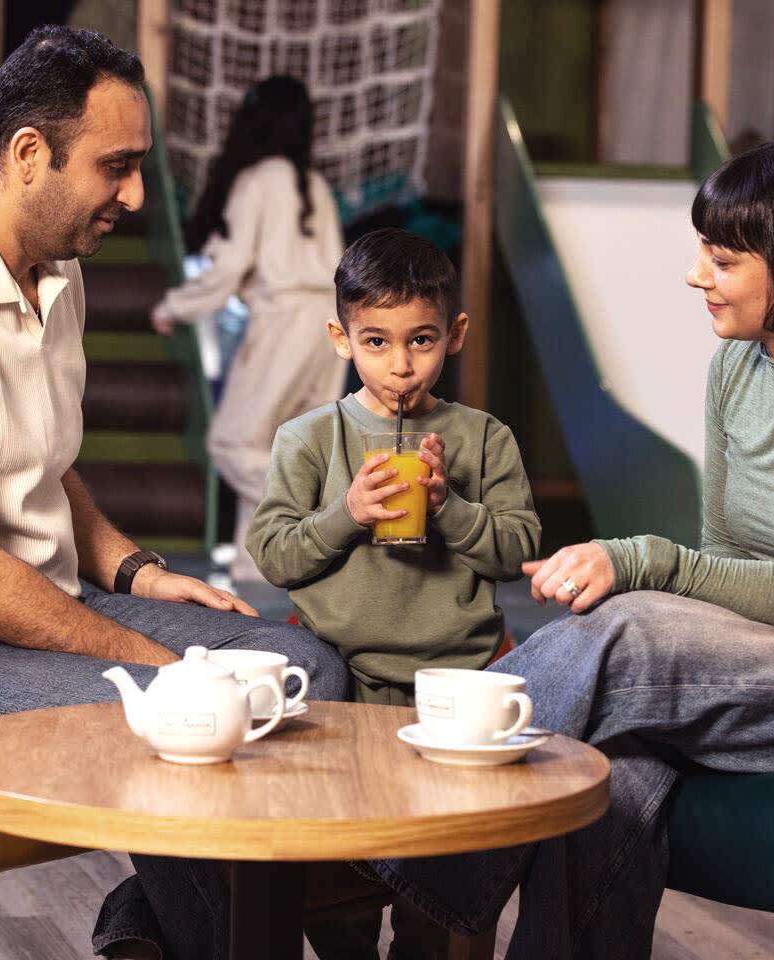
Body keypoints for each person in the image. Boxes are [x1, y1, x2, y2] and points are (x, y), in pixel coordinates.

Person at [0, 25, 347, 948]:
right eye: (116, 167)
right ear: (29, 155)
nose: (133, 194)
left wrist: (137, 574)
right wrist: (158, 668)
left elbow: (42, 462)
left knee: (305, 672)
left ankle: (147, 931)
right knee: (190, 710)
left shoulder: (55, 267)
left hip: (31, 607)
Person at [359, 135, 774, 958]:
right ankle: (427, 859)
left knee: (636, 627)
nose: (697, 277)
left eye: (722, 261)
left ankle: (402, 839)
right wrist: (651, 580)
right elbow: (730, 565)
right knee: (610, 768)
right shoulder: (737, 369)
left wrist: (640, 560)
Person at [244, 226, 541, 957]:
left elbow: (520, 548)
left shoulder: (484, 439)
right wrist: (344, 515)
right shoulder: (309, 440)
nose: (401, 365)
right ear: (340, 339)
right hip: (337, 685)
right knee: (335, 868)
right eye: (375, 342)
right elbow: (273, 555)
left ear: (456, 335)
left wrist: (450, 507)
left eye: (422, 340)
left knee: (438, 876)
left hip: (454, 685)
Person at [150, 75, 348, 584]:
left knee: (233, 443)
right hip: (330, 327)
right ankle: (257, 563)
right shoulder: (317, 186)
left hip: (283, 323)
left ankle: (323, 524)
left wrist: (176, 306)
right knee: (290, 448)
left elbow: (229, 266)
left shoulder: (257, 179)